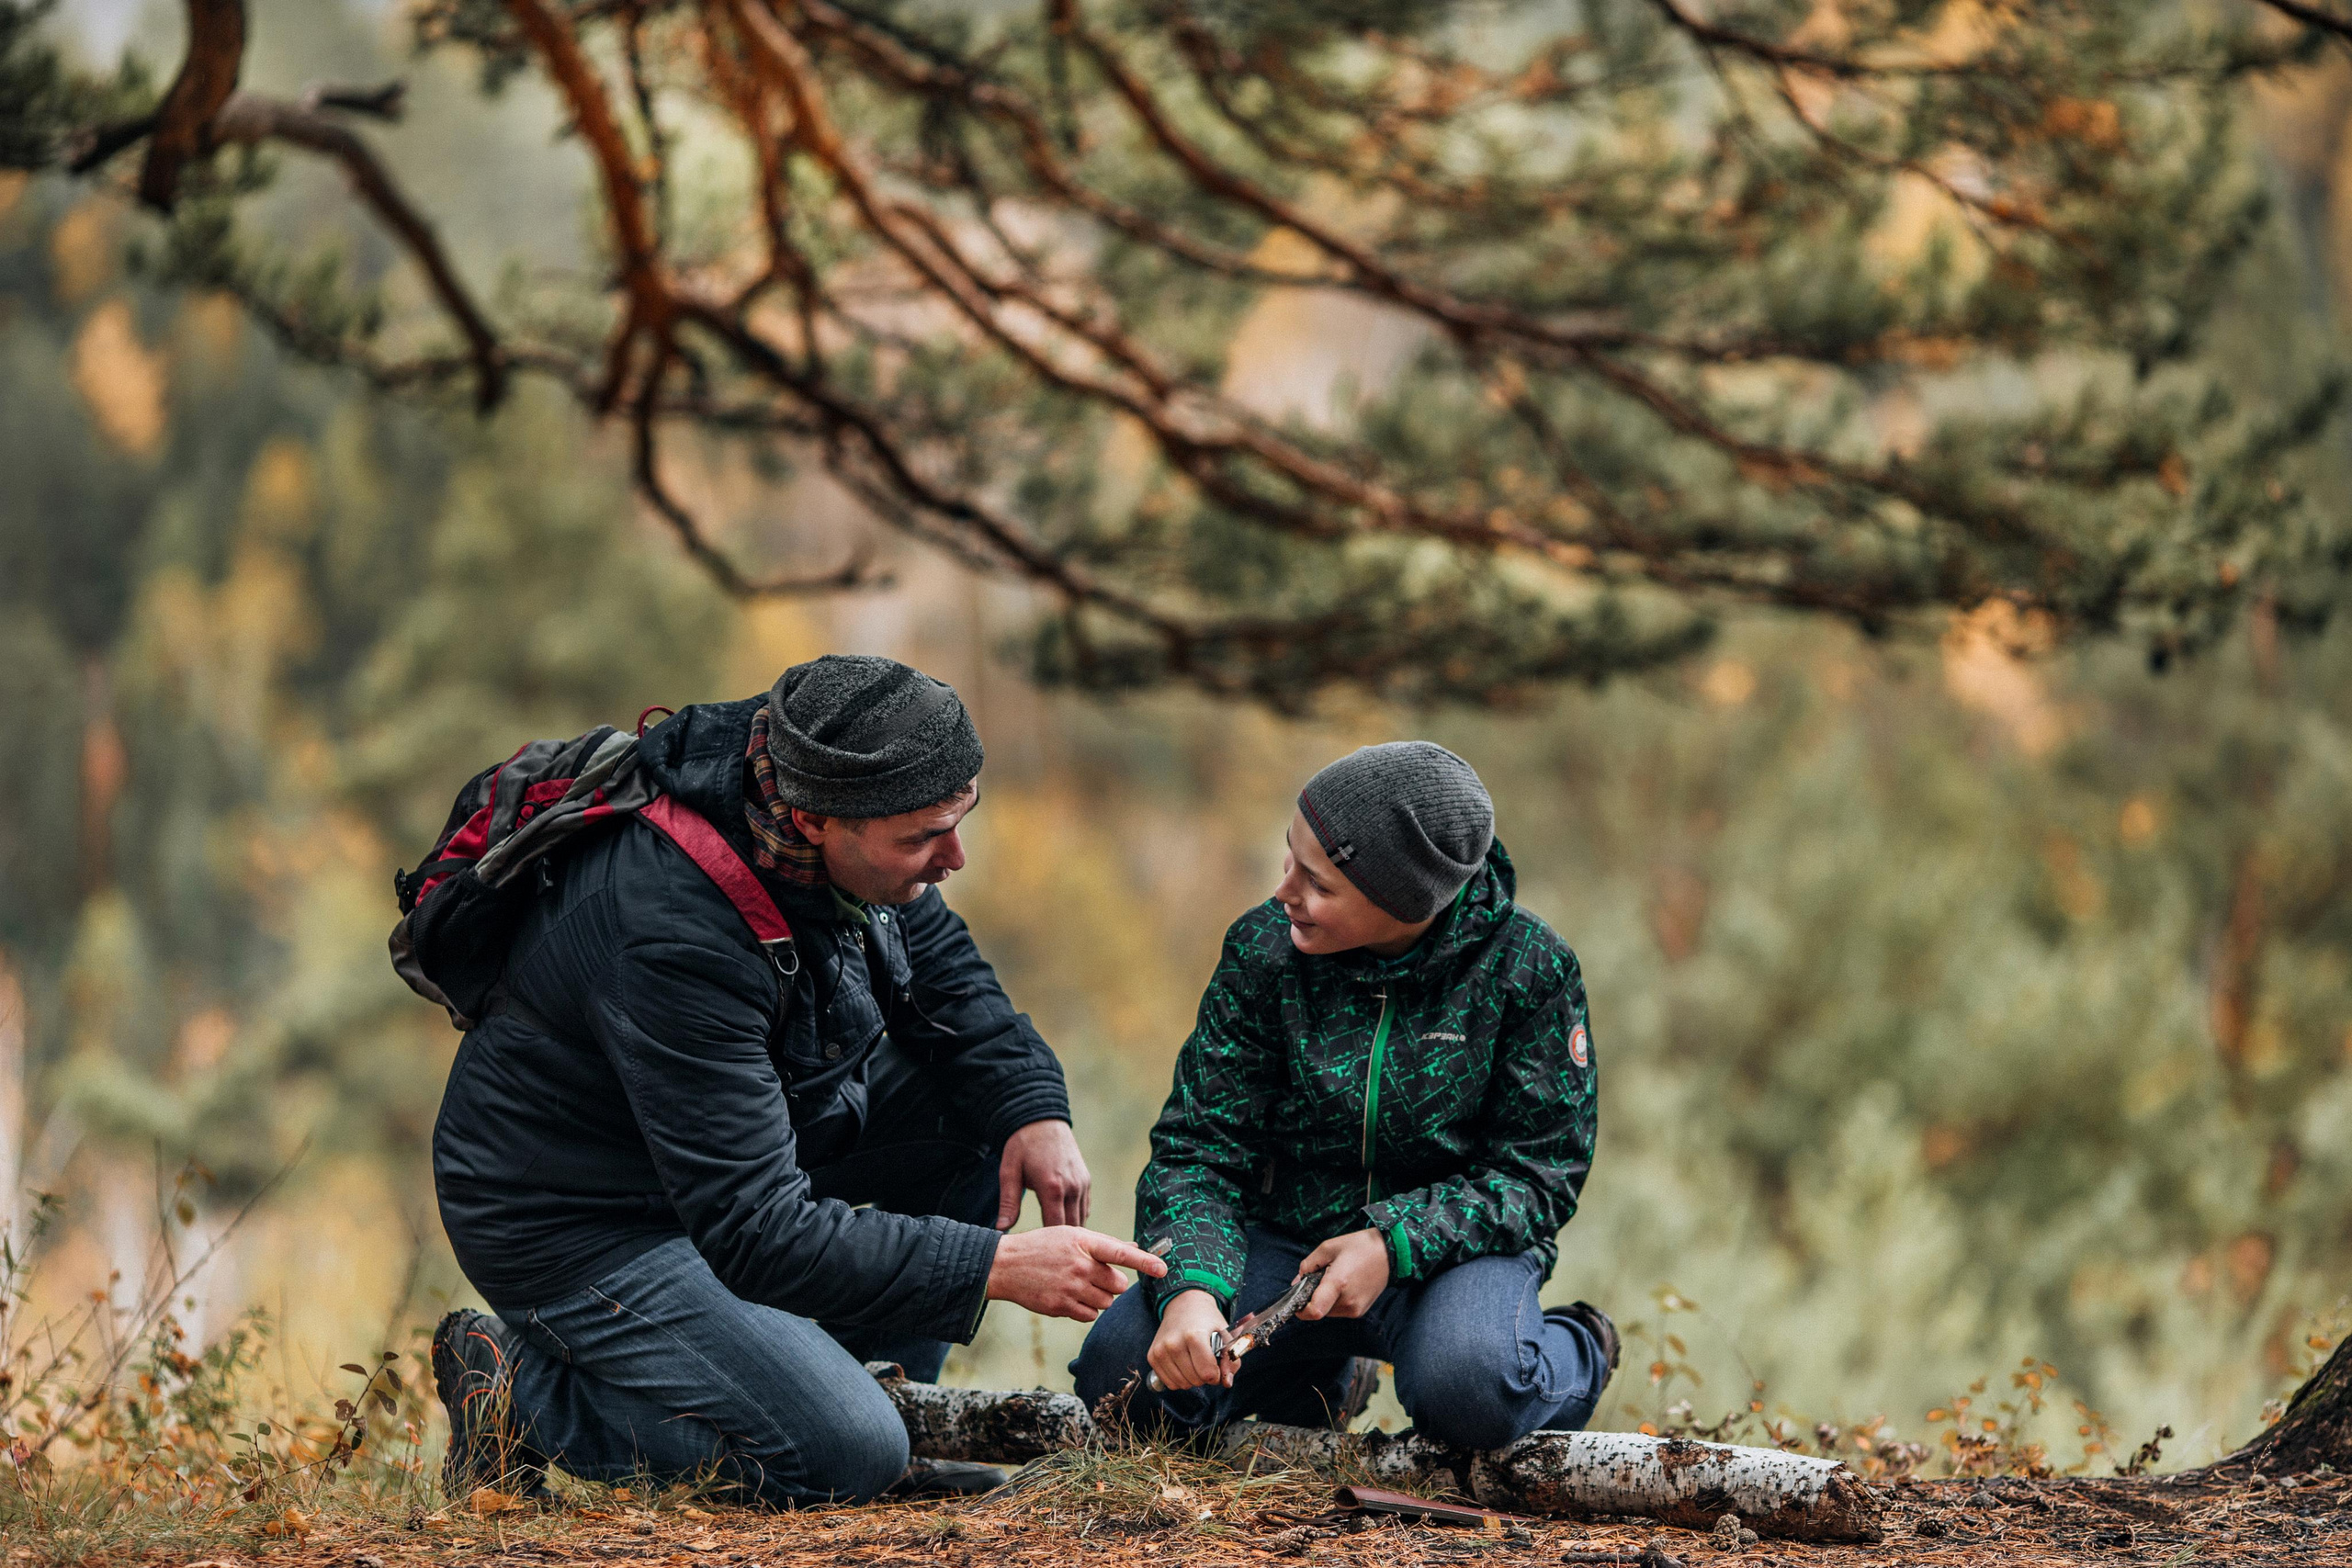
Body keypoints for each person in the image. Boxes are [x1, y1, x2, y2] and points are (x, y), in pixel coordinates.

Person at [428, 655, 1164, 1506]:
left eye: (960, 820)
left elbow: (939, 964)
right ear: (816, 820)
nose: (954, 856)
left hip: (727, 1146)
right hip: (575, 1218)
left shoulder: (825, 785)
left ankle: (863, 1405)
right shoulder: (671, 930)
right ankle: (521, 1392)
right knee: (841, 1453)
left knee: (973, 1116)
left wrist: (1031, 1108)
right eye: (925, 837)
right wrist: (991, 1264)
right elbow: (756, 1230)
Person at [1072, 741, 1617, 1448]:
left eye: (1318, 884)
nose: (1283, 892)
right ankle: (1321, 1379)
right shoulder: (1263, 951)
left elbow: (1538, 1176)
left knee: (1470, 1394)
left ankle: (1580, 1347)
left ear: (1405, 902)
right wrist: (1192, 1290)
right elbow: (1200, 1148)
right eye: (1289, 858)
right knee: (1124, 1382)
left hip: (1451, 1256)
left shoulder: (1529, 970)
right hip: (1284, 1245)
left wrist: (1394, 1240)